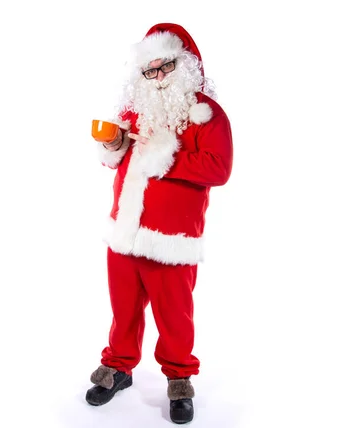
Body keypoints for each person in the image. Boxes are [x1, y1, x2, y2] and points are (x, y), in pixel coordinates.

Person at [86, 23, 234, 424]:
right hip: (125, 230)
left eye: (165, 66)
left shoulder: (207, 114)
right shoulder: (135, 108)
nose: (158, 77)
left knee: (175, 315)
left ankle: (180, 378)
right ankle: (118, 368)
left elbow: (220, 168)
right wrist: (114, 146)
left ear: (184, 64)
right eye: (149, 70)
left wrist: (165, 159)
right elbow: (116, 155)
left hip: (173, 238)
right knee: (123, 310)